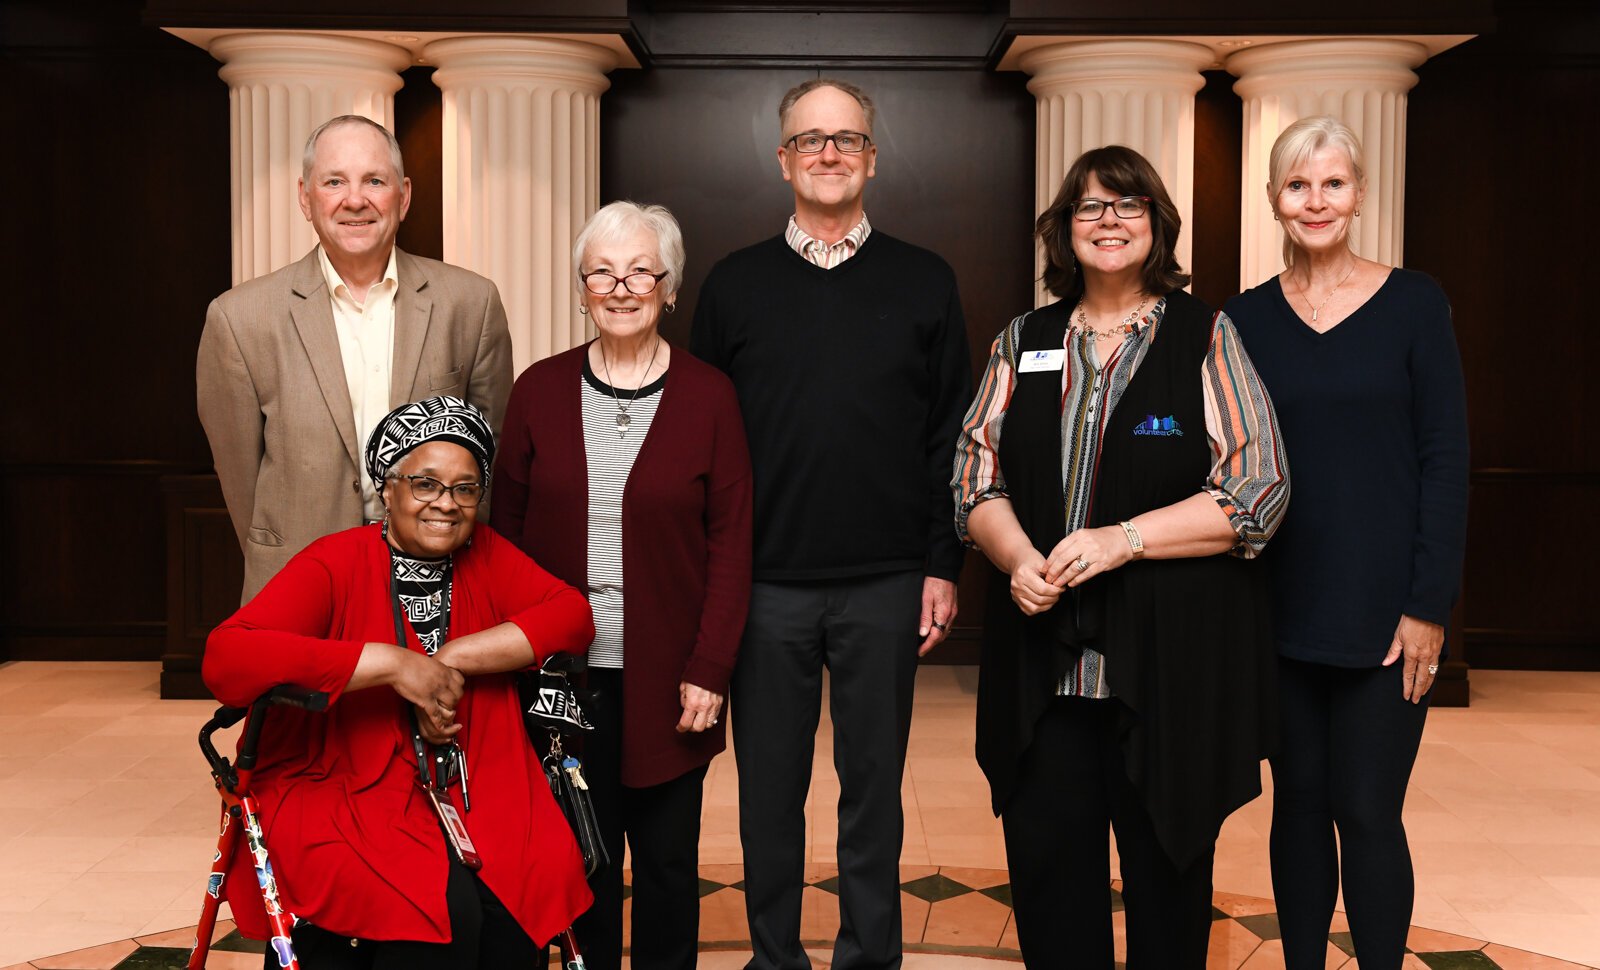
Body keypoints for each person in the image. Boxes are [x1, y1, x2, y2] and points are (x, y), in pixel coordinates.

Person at [951, 145, 1290, 968]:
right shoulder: (1022, 339)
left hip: (1167, 671)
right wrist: (1018, 558)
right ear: (1066, 230)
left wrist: (1122, 541)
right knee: (1050, 885)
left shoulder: (1207, 334)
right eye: (1090, 208)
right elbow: (972, 475)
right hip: (1045, 678)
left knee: (1168, 889)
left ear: (1157, 224)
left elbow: (1258, 489)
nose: (1109, 222)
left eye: (1127, 205)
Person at [691, 79, 972, 970]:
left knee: (872, 794)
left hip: (886, 580)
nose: (827, 153)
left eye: (846, 139)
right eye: (809, 140)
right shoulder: (733, 285)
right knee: (769, 794)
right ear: (783, 159)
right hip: (764, 586)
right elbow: (700, 443)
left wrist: (942, 564)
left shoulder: (925, 279)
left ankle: (868, 957)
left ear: (871, 158)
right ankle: (775, 957)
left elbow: (950, 437)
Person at [202, 395, 595, 968]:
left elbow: (571, 617)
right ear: (387, 491)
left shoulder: (488, 555)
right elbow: (226, 658)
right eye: (425, 484)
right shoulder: (333, 561)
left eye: (465, 488)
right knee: (432, 903)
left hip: (476, 775)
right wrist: (391, 663)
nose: (447, 504)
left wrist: (452, 657)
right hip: (345, 777)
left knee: (520, 885)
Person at [1222, 116, 1469, 970]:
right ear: (1273, 201)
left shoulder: (1414, 304)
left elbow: (1445, 459)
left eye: (1332, 183)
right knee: (1296, 807)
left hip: (1385, 615)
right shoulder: (1241, 319)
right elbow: (1210, 451)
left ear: (1359, 194)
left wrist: (1428, 607)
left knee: (1366, 809)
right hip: (1276, 608)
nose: (1315, 200)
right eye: (1298, 185)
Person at [491, 200, 753, 970]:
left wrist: (711, 668)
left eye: (642, 270)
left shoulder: (710, 397)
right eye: (602, 271)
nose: (621, 285)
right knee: (579, 866)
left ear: (670, 288)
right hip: (560, 679)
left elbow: (732, 544)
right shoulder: (538, 391)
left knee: (670, 871)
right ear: (581, 288)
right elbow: (502, 540)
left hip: (673, 681)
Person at [198, 114, 513, 602]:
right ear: (306, 197)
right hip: (298, 577)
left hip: (443, 579)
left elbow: (490, 454)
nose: (355, 199)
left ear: (403, 196)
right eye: (334, 181)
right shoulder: (240, 318)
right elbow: (240, 476)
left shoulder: (470, 304)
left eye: (374, 180)